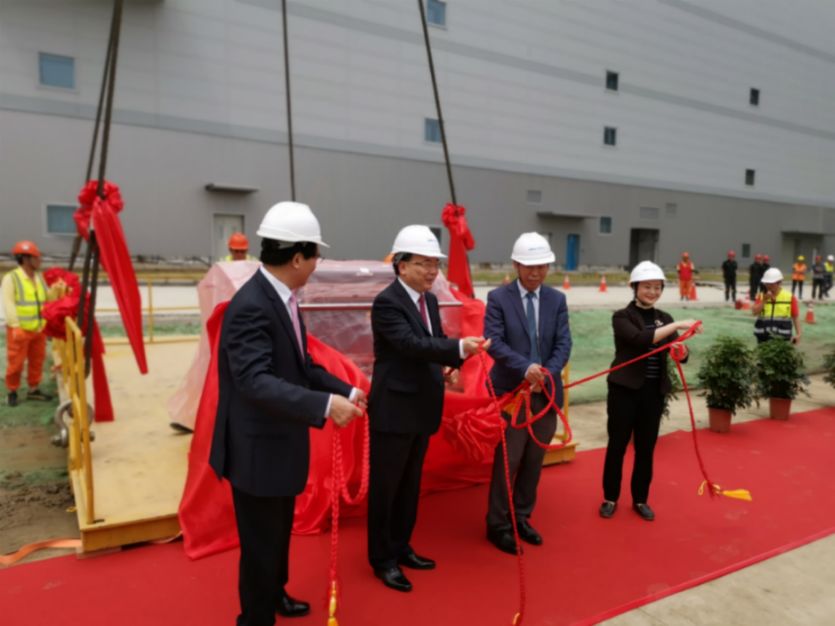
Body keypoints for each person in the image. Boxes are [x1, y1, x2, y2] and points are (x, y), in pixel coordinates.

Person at [209, 201, 365, 626]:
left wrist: (347, 389)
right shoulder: (252, 305)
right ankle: (255, 618)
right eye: (315, 256)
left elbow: (301, 366)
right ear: (297, 258)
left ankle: (275, 593)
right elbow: (255, 382)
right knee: (260, 544)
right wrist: (325, 406)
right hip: (256, 451)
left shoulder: (282, 298)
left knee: (277, 534)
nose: (317, 265)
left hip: (278, 443)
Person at [367, 224, 487, 593]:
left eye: (435, 264)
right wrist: (459, 349)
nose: (432, 271)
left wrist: (450, 364)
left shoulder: (429, 301)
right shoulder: (387, 303)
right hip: (394, 409)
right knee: (387, 487)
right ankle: (382, 559)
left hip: (421, 405)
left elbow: (432, 342)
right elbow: (409, 344)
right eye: (424, 264)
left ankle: (402, 546)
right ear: (401, 265)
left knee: (410, 485)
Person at [483, 232, 572, 554]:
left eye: (542, 266)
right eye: (529, 266)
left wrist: (546, 372)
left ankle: (521, 516)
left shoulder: (556, 300)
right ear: (516, 265)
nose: (536, 272)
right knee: (509, 460)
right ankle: (498, 525)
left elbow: (564, 342)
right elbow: (494, 342)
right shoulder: (498, 298)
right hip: (512, 393)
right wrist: (526, 369)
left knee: (534, 460)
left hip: (545, 393)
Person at [599, 261, 701, 522]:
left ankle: (640, 499)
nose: (652, 292)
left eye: (657, 287)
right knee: (617, 445)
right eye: (647, 286)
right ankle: (610, 497)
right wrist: (678, 325)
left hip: (653, 393)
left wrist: (681, 351)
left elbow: (678, 351)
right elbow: (640, 340)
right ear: (634, 287)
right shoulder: (622, 317)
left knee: (646, 448)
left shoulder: (664, 318)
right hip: (624, 391)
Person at [1, 241, 57, 407]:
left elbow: (46, 298)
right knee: (16, 364)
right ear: (25, 259)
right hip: (20, 330)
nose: (40, 261)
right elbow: (8, 304)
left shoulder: (39, 278)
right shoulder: (11, 278)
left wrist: (58, 291)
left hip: (38, 329)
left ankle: (33, 389)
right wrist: (15, 326)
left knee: (37, 361)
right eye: (36, 258)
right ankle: (12, 391)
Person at [752, 268, 801, 344]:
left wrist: (798, 334)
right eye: (766, 283)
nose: (768, 286)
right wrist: (764, 300)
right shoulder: (761, 296)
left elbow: (795, 317)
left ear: (779, 283)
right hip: (763, 338)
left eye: (771, 283)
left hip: (782, 338)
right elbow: (754, 312)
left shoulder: (789, 297)